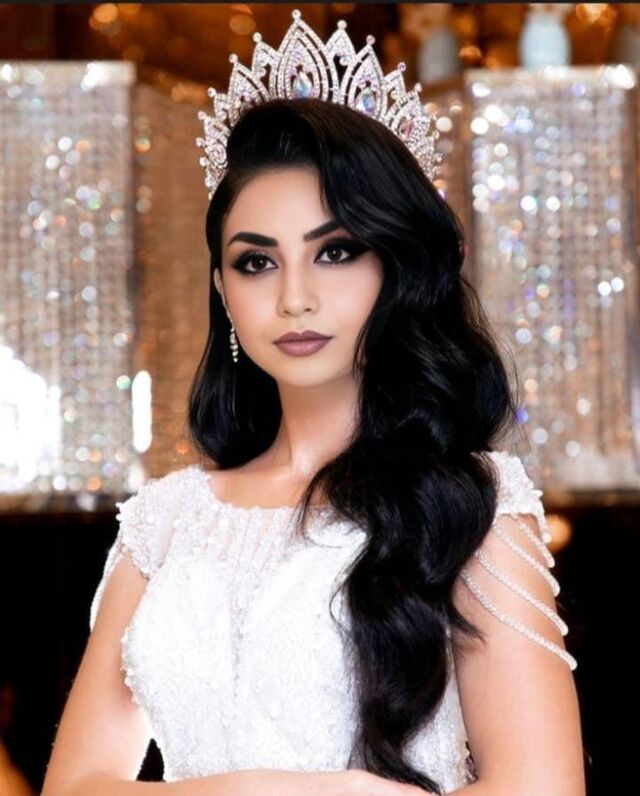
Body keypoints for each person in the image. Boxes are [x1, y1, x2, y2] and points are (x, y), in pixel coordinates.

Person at [41, 9, 585, 796]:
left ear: (395, 268)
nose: (295, 297)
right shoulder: (165, 522)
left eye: (335, 252)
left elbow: (541, 788)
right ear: (223, 290)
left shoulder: (472, 504)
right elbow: (75, 785)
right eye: (256, 263)